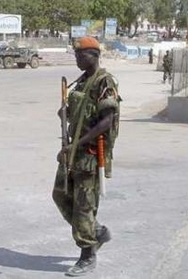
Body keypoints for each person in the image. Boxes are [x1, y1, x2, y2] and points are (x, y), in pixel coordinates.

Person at [52, 36, 121, 277]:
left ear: (93, 54)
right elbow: (80, 112)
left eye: (80, 55)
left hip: (90, 154)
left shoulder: (104, 81)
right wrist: (65, 113)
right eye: (76, 55)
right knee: (60, 195)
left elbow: (106, 121)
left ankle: (88, 254)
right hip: (73, 152)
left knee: (83, 207)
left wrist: (78, 144)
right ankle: (97, 231)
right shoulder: (80, 82)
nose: (77, 59)